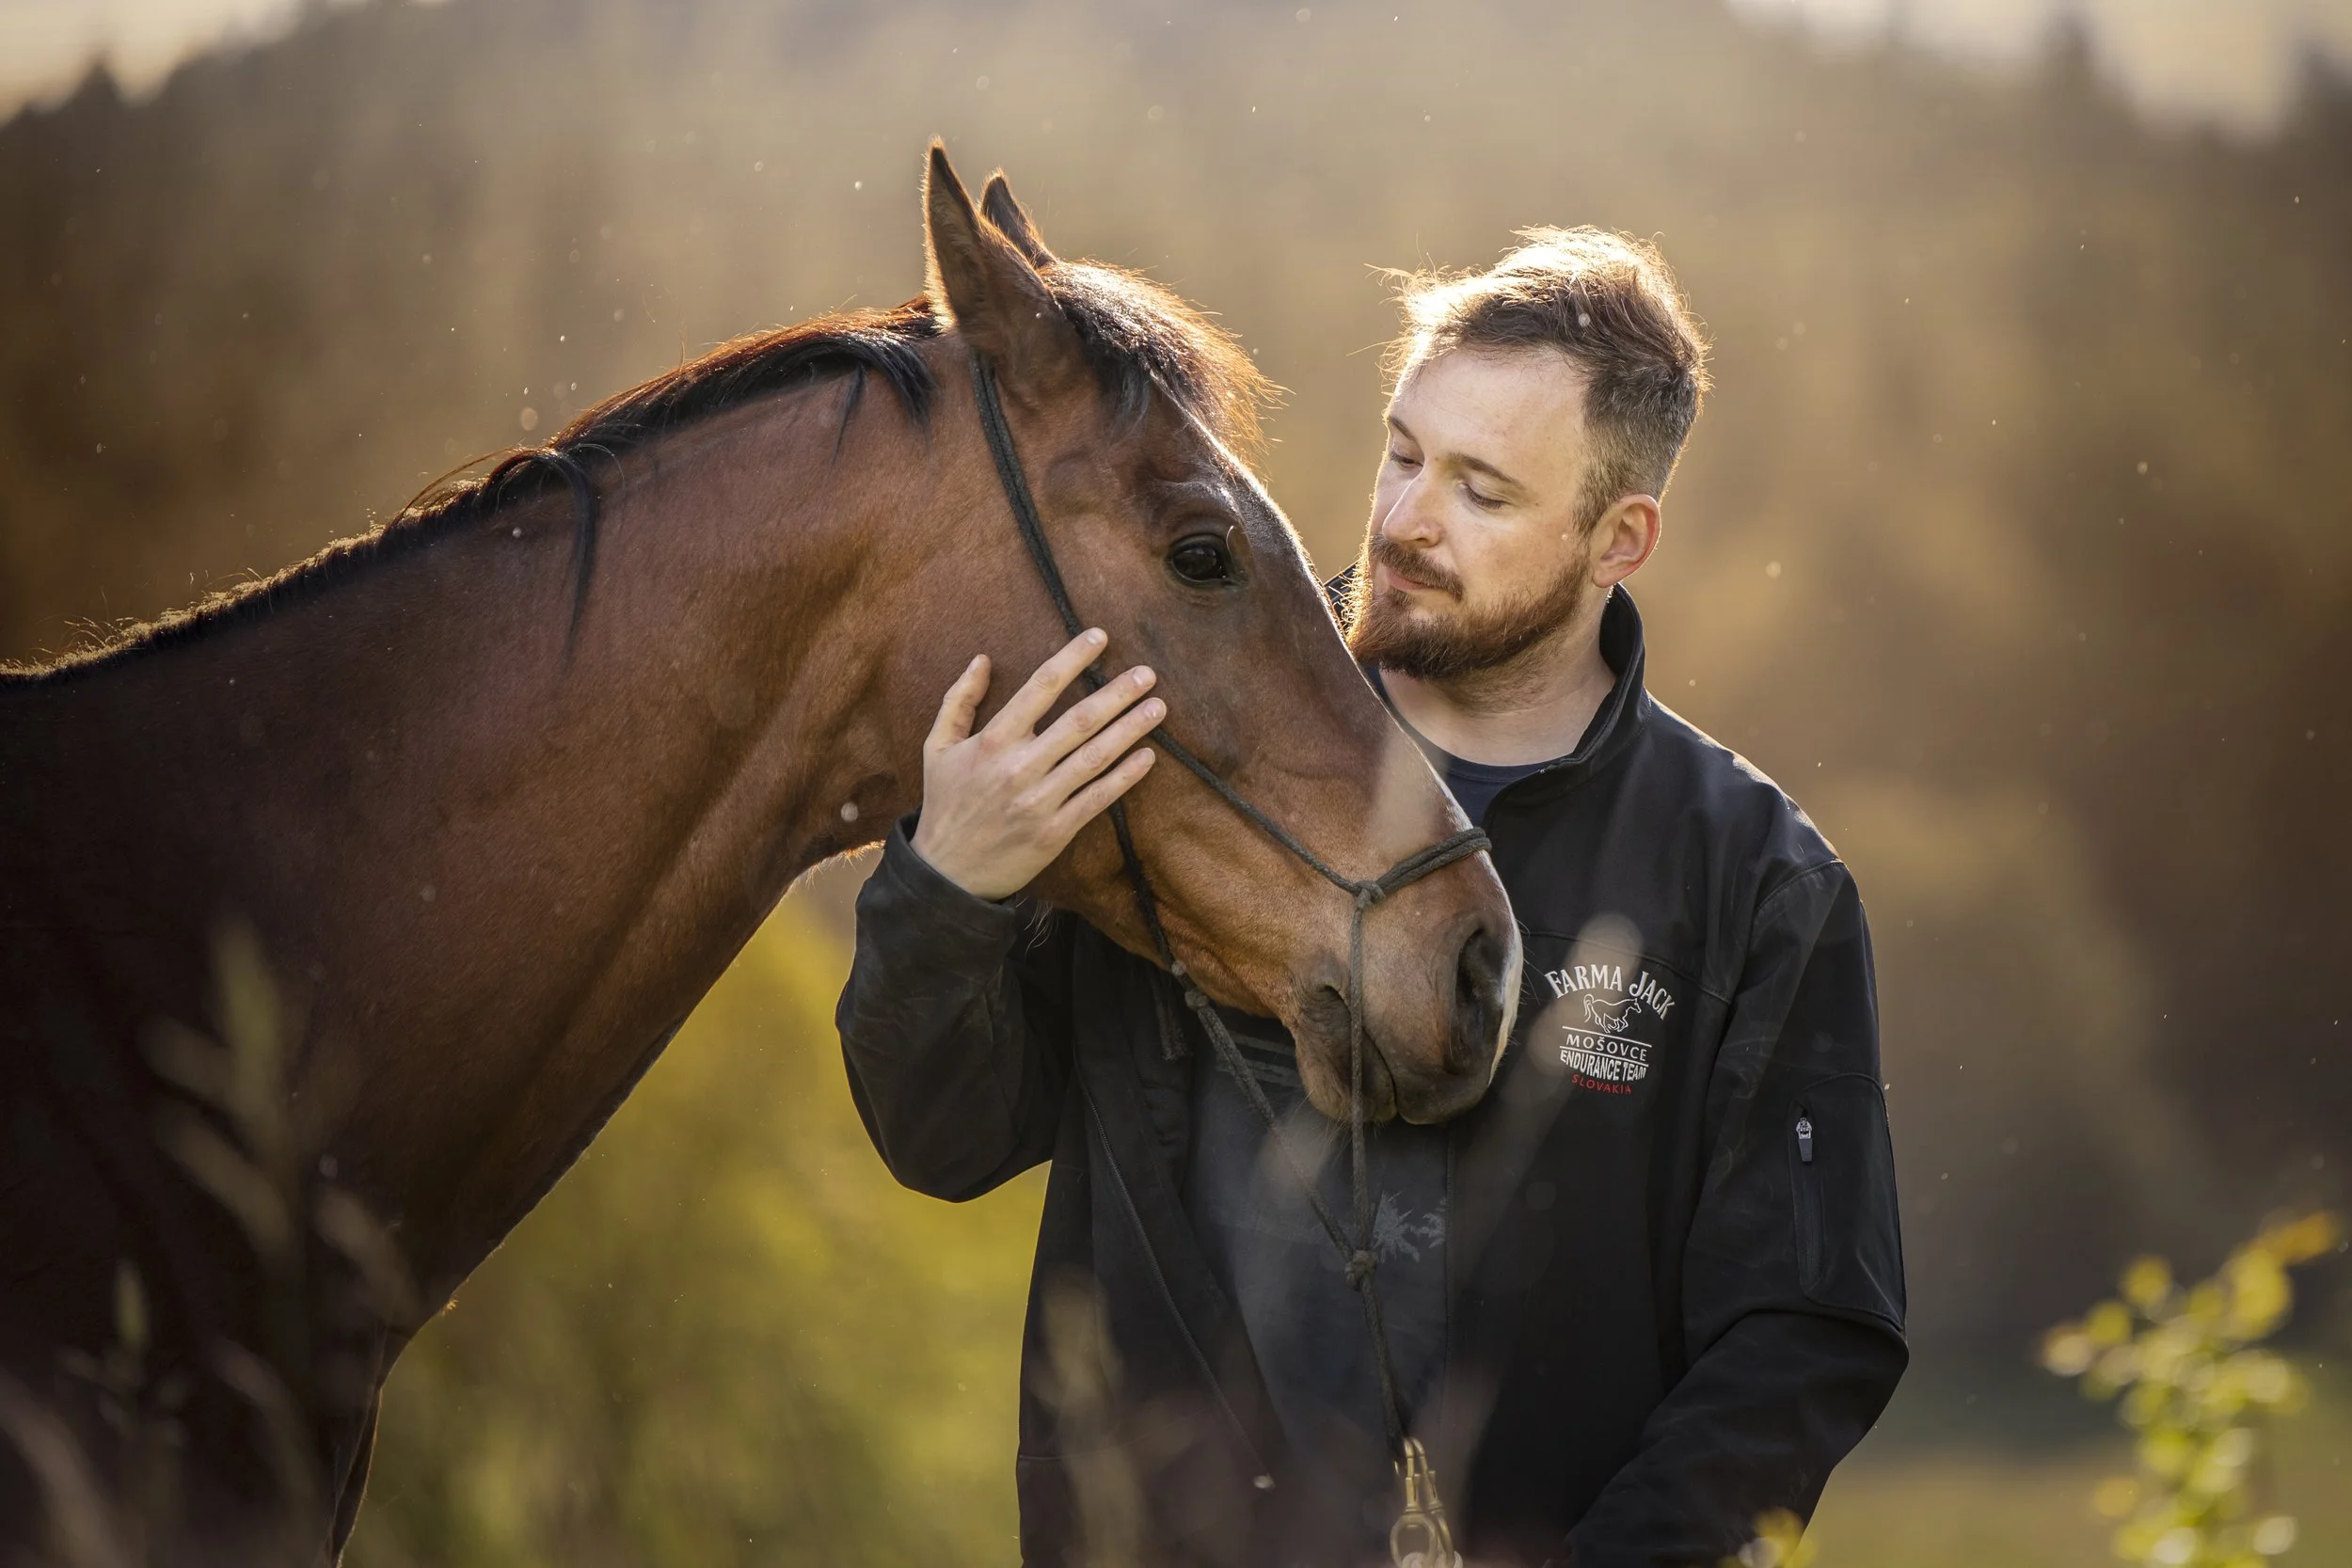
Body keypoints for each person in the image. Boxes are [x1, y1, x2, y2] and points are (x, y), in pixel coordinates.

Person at [836, 228, 1906, 1567]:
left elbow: (1801, 1340)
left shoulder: (1753, 878)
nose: (1406, 522)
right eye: (1403, 455)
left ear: (1618, 538)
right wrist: (948, 888)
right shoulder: (1166, 738)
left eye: (1482, 492)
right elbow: (943, 1138)